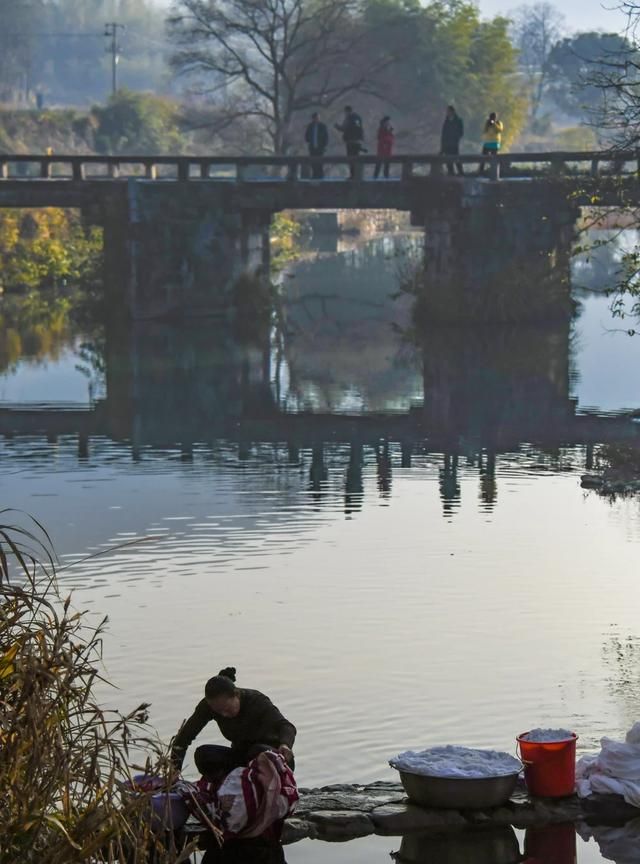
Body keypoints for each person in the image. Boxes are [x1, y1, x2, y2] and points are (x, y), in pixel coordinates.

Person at [170, 667, 296, 779]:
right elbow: (183, 739)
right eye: (218, 711)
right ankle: (226, 788)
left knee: (257, 750)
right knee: (203, 755)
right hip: (242, 757)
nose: (224, 714)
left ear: (236, 695)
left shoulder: (256, 701)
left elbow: (286, 726)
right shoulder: (208, 707)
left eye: (227, 709)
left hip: (272, 758)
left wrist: (285, 744)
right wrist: (174, 770)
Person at [334, 105, 364, 179]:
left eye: (345, 112)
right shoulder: (358, 118)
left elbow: (344, 128)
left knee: (350, 159)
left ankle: (352, 175)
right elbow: (359, 128)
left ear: (347, 111)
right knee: (356, 158)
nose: (345, 113)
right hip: (357, 141)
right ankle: (357, 175)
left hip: (350, 141)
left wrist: (336, 126)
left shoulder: (349, 118)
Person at [440, 105, 464, 177]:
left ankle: (461, 172)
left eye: (449, 111)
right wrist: (442, 145)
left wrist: (455, 138)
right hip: (446, 144)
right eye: (447, 111)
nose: (447, 113)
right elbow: (443, 134)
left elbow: (461, 132)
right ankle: (451, 173)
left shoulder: (458, 120)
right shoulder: (446, 121)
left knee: (456, 158)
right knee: (448, 160)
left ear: (452, 111)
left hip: (454, 144)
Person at [304, 112, 329, 179]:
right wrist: (309, 139)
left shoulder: (323, 126)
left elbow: (326, 137)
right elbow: (306, 136)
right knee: (313, 162)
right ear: (313, 119)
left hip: (320, 148)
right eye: (315, 118)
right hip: (312, 147)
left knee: (320, 162)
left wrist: (324, 145)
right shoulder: (310, 126)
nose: (317, 119)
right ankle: (314, 175)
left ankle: (320, 175)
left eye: (318, 118)